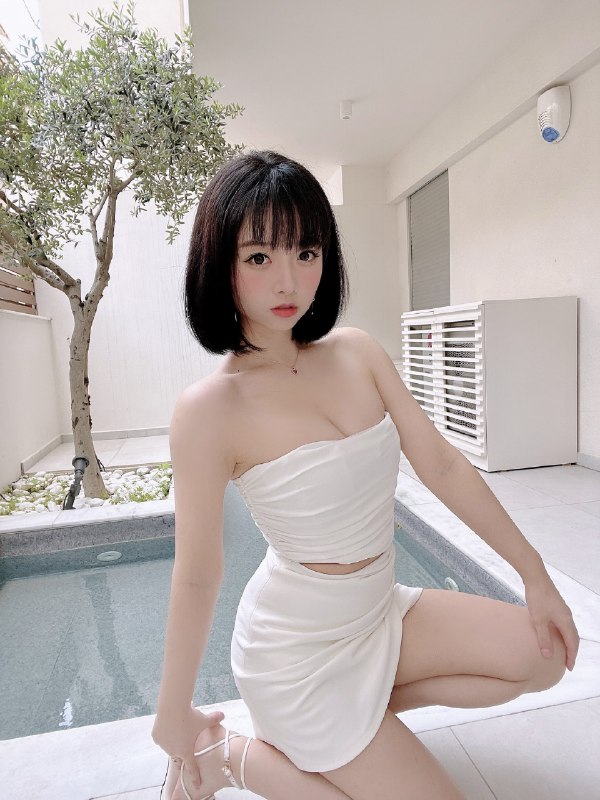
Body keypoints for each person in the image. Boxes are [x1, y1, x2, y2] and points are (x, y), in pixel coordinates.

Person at [152, 150, 579, 800]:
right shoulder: (209, 411)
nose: (288, 281)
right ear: (220, 265)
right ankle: (228, 757)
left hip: (380, 613)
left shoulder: (357, 351)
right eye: (259, 257)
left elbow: (441, 464)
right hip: (297, 658)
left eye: (306, 252)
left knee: (543, 655)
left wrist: (535, 575)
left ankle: (362, 721)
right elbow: (197, 574)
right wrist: (172, 711)